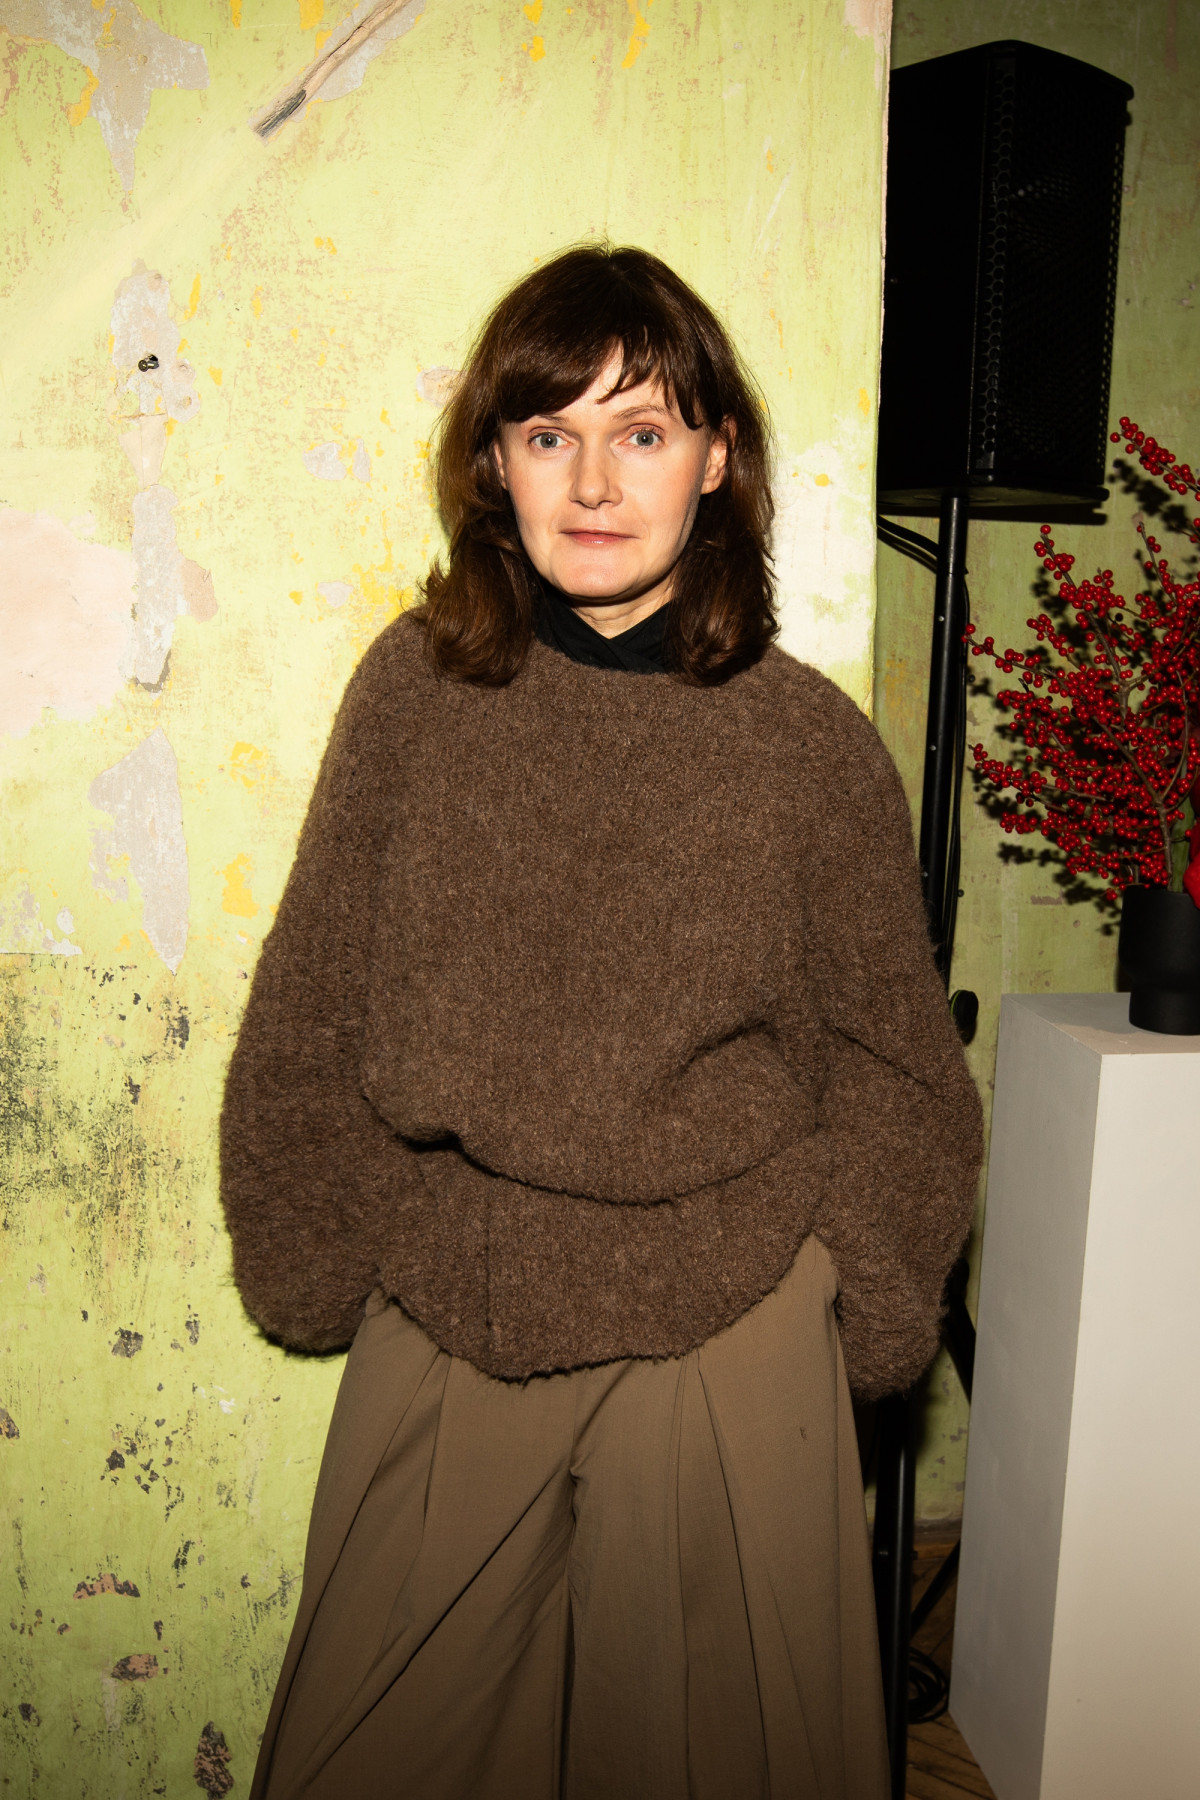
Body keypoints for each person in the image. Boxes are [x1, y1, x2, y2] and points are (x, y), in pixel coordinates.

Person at [220, 243, 982, 1800]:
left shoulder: (807, 745)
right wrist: (321, 1248)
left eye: (640, 431)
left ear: (716, 460)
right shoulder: (410, 695)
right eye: (547, 432)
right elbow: (311, 996)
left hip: (733, 1321)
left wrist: (851, 1288)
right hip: (454, 1297)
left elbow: (901, 1070)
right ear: (493, 467)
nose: (590, 480)